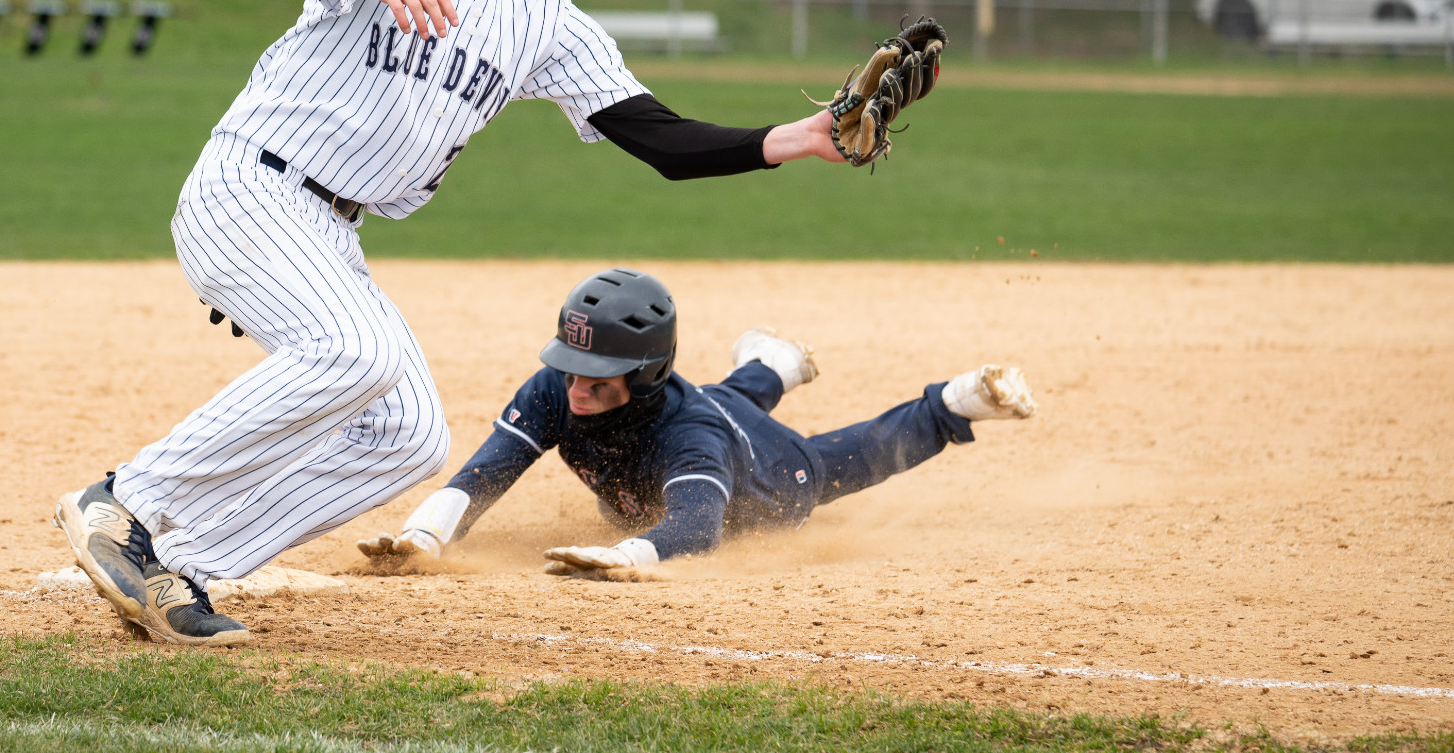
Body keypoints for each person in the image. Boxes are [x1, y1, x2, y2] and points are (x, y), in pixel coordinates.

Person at [53, 0, 850, 645]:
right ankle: (127, 500)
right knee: (352, 352)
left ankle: (181, 566)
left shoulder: (543, 11)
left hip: (328, 227)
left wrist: (793, 138)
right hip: (250, 185)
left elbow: (657, 138)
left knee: (409, 437)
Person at [357, 268, 1036, 574]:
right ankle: (771, 363)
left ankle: (949, 404)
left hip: (771, 478)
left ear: (645, 369)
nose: (575, 386)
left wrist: (627, 557)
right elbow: (488, 470)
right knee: (721, 394)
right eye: (568, 365)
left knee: (828, 460)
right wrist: (425, 535)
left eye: (596, 374)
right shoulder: (561, 386)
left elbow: (697, 529)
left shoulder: (693, 436)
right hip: (699, 407)